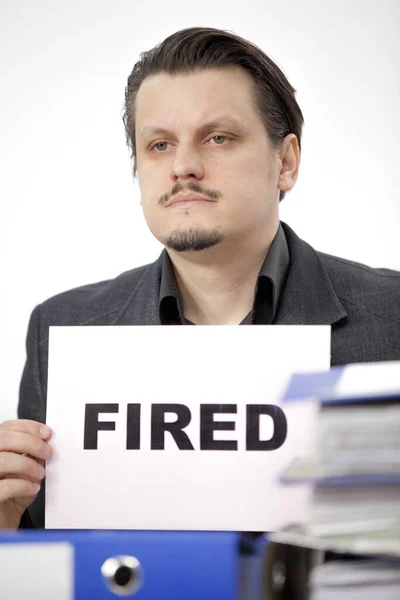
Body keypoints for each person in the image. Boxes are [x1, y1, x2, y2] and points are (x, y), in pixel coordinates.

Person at [1, 26, 399, 597]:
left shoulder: (393, 319)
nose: (183, 165)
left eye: (217, 138)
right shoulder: (62, 331)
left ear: (285, 162)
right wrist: (6, 532)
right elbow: (46, 575)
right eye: (159, 144)